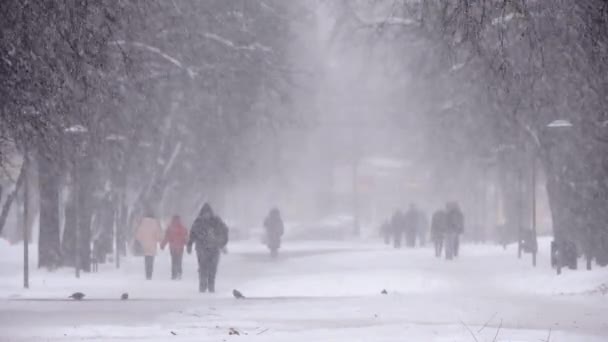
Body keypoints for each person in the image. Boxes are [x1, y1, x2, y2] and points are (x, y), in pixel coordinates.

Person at [187, 203, 229, 293]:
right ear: (202, 213)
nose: (206, 215)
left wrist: (223, 243)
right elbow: (192, 234)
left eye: (208, 213)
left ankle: (211, 286)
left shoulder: (216, 221)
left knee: (212, 268)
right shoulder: (198, 222)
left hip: (213, 248)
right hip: (202, 249)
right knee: (203, 267)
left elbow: (224, 231)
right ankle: (202, 286)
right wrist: (189, 245)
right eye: (205, 213)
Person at [135, 210, 163, 280]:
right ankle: (150, 274)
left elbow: (138, 234)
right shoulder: (155, 223)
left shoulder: (142, 223)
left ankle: (147, 273)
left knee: (146, 259)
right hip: (152, 244)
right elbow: (158, 235)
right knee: (151, 259)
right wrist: (159, 240)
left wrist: (140, 240)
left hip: (144, 244)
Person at [161, 215, 188, 280]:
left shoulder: (170, 228)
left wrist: (163, 245)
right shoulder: (182, 228)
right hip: (180, 247)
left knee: (174, 260)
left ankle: (174, 274)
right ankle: (179, 273)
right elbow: (185, 237)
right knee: (179, 260)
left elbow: (166, 237)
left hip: (172, 247)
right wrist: (187, 244)